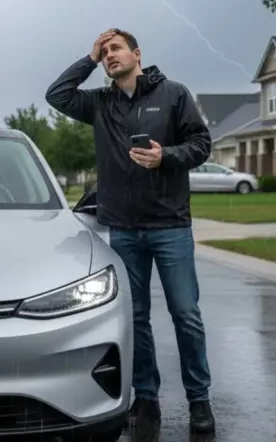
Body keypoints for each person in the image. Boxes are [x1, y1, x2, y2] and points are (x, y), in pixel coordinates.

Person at [44, 29, 215, 433]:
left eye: (115, 48)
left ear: (137, 54)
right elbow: (57, 95)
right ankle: (147, 399)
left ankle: (200, 400)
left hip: (170, 225)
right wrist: (86, 58)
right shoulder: (99, 103)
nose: (109, 56)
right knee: (136, 318)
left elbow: (202, 143)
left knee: (186, 315)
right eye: (104, 52)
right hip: (123, 230)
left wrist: (166, 156)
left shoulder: (173, 94)